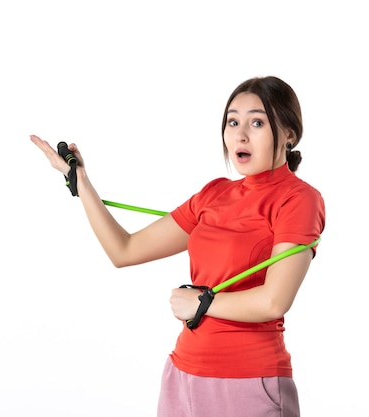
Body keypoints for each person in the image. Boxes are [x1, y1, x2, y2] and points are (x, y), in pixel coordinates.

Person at [30, 75, 325, 417]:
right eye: (233, 122)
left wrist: (202, 303)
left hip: (248, 380)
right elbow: (124, 250)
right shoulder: (214, 193)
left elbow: (274, 301)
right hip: (182, 375)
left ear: (290, 134)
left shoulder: (299, 199)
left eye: (257, 122)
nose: (240, 134)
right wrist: (81, 181)